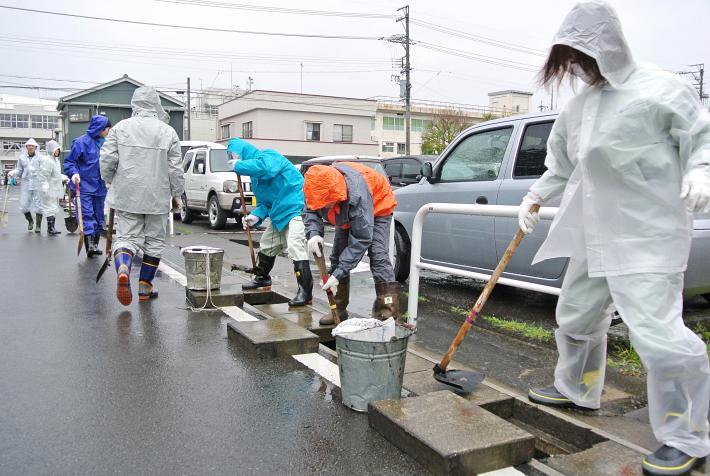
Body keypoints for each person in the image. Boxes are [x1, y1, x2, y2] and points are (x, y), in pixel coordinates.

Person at [517, 2, 710, 474]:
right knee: (577, 313)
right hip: (594, 230)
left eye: (583, 57)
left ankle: (686, 435)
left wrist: (702, 169)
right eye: (571, 61)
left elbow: (701, 138)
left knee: (660, 336)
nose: (579, 69)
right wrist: (535, 196)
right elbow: (561, 164)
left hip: (647, 234)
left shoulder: (663, 89)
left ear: (608, 48)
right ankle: (577, 389)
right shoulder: (579, 106)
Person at [100, 86, 184, 306]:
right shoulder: (167, 132)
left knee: (126, 238)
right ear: (155, 104)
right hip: (157, 196)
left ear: (134, 104)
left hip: (127, 194)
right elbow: (175, 169)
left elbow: (107, 161)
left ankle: (124, 267)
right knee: (154, 242)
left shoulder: (120, 128)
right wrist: (176, 194)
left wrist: (110, 180)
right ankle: (145, 288)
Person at [303, 162, 398, 325]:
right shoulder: (315, 185)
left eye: (326, 204)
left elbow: (362, 238)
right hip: (347, 209)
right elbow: (310, 210)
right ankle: (338, 309)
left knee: (378, 256)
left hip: (377, 205)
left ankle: (387, 313)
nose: (324, 207)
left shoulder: (356, 195)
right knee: (338, 255)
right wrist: (313, 234)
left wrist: (337, 275)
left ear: (335, 196)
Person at [227, 138, 313, 307]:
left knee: (295, 245)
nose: (234, 158)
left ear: (244, 152)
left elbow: (266, 168)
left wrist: (239, 166)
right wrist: (256, 216)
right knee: (267, 244)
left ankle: (305, 292)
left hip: (296, 206)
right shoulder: (254, 179)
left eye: (235, 155)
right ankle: (262, 278)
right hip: (279, 213)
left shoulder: (268, 155)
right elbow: (264, 203)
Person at [64, 115, 111, 256]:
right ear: (100, 128)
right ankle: (89, 245)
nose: (108, 131)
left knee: (98, 215)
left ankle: (95, 244)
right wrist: (73, 173)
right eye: (107, 128)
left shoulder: (107, 144)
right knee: (86, 214)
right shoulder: (81, 142)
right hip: (84, 185)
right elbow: (70, 162)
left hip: (100, 186)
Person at [9, 138, 43, 231]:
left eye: (32, 146)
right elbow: (19, 170)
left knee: (39, 204)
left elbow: (44, 171)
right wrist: (13, 173)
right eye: (29, 146)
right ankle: (30, 221)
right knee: (24, 205)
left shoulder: (40, 158)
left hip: (37, 183)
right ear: (26, 147)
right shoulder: (22, 158)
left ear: (35, 147)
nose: (31, 147)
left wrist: (45, 182)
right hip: (26, 183)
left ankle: (38, 225)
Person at [37, 140, 66, 236]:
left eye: (58, 150)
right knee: (50, 207)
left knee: (53, 207)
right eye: (56, 150)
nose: (57, 152)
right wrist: (44, 184)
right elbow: (43, 174)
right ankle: (50, 228)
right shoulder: (48, 160)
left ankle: (52, 227)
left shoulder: (55, 161)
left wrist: (64, 177)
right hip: (48, 188)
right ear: (51, 150)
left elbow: (55, 175)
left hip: (54, 188)